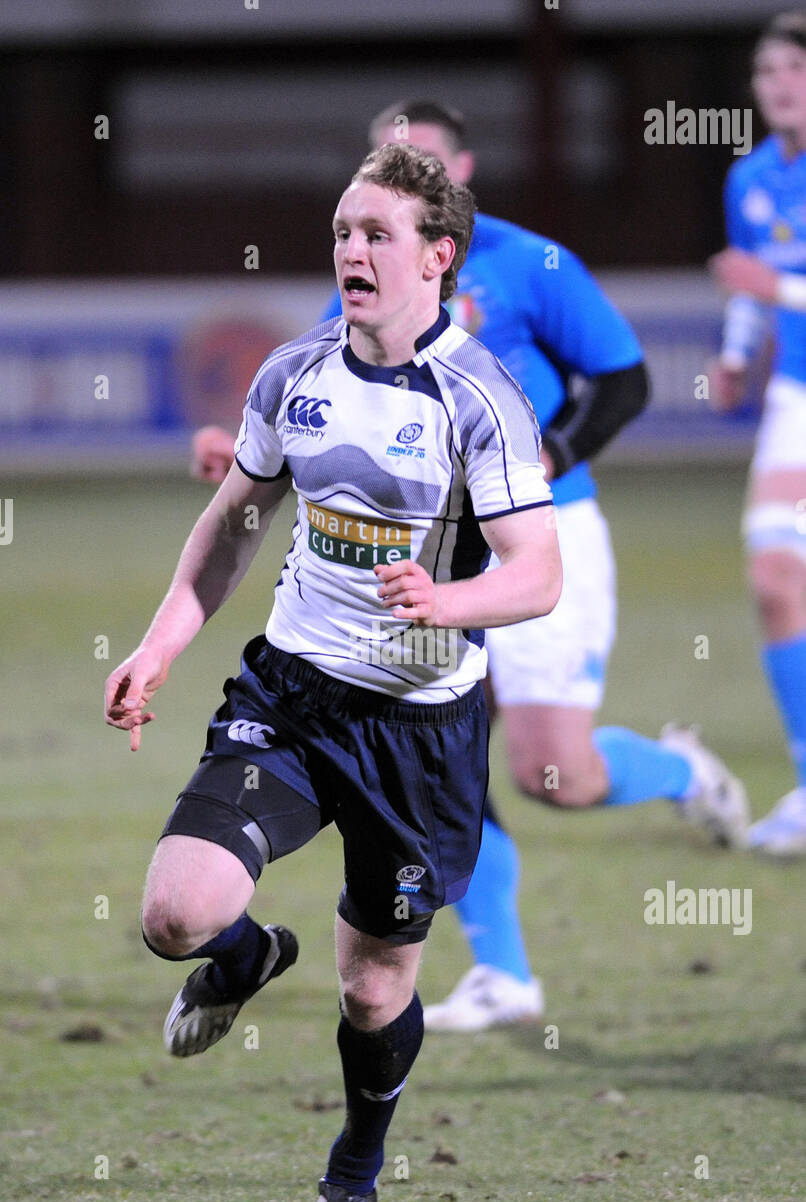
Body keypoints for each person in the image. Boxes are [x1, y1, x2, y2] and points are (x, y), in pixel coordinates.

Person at [193, 101, 750, 1034]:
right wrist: (254, 458)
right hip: (421, 559)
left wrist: (536, 469)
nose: (400, 176)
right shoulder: (373, 265)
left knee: (553, 775)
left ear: (462, 174)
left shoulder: (535, 262)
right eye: (386, 159)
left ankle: (679, 771)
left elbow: (625, 379)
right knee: (454, 756)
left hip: (538, 537)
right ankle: (505, 973)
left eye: (422, 162)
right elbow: (335, 410)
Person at [105, 142, 562, 1202]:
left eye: (376, 235)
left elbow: (537, 573)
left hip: (419, 731)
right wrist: (160, 645)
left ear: (437, 258)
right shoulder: (292, 372)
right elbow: (233, 523)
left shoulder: (479, 399)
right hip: (296, 697)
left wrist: (448, 599)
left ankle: (351, 1178)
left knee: (371, 990)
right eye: (342, 233)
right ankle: (248, 952)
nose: (351, 251)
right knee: (175, 914)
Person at [709, 9, 806, 857]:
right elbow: (748, 286)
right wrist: (738, 355)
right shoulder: (751, 179)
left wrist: (776, 292)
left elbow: (765, 281)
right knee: (775, 574)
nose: (778, 85)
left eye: (795, 70)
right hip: (797, 397)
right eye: (767, 71)